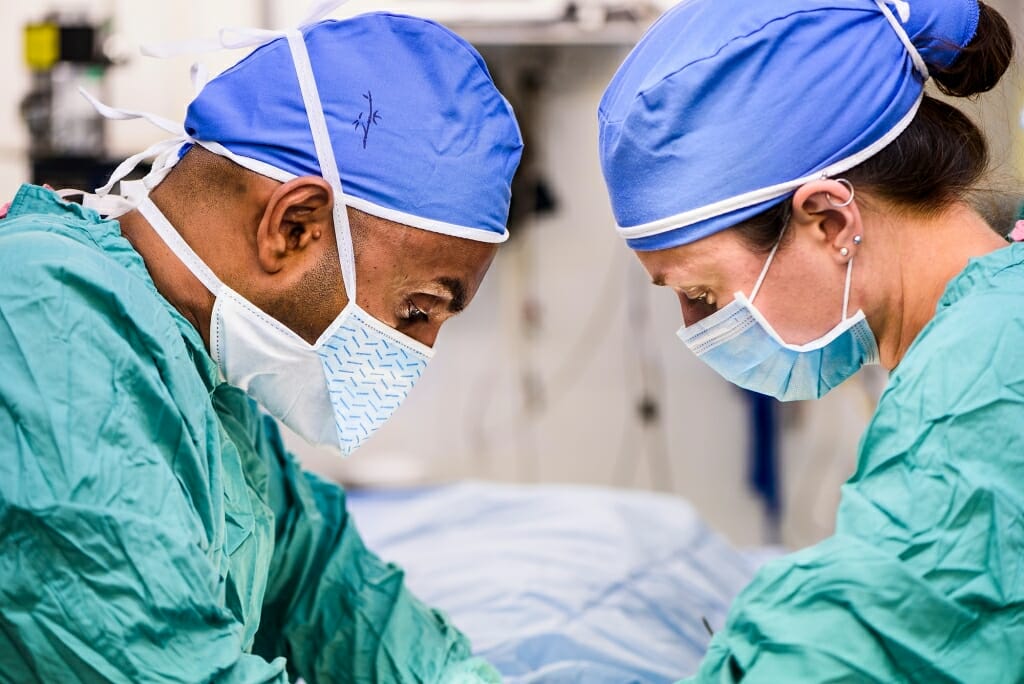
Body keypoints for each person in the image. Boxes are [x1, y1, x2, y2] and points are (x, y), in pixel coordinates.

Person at [0, 11, 521, 683]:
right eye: (418, 310)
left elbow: (325, 591)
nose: (420, 349)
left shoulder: (199, 374)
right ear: (295, 225)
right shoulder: (46, 319)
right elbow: (168, 664)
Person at [599, 0, 1023, 680]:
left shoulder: (981, 375)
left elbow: (849, 653)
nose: (697, 329)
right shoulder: (985, 325)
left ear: (828, 220)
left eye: (702, 296)